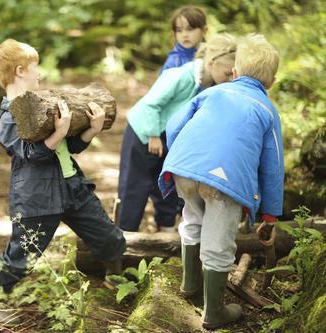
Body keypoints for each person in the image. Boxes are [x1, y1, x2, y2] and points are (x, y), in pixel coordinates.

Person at [0, 39, 126, 325]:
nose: (40, 74)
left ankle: (117, 277)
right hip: (37, 197)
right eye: (36, 68)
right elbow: (30, 154)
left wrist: (91, 130)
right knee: (23, 252)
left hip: (72, 186)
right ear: (21, 70)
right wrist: (58, 132)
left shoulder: (43, 102)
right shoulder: (9, 116)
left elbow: (70, 146)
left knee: (109, 236)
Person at [159, 34, 283, 329]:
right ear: (271, 82)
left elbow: (175, 124)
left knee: (192, 218)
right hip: (225, 181)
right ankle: (213, 312)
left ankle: (190, 287)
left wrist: (180, 160)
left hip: (185, 168)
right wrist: (270, 215)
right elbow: (273, 167)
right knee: (218, 242)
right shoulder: (267, 110)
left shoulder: (211, 93)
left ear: (235, 72)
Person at [117, 33, 237, 233]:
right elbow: (151, 104)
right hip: (145, 133)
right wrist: (153, 135)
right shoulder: (181, 75)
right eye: (227, 74)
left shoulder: (211, 86)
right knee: (135, 187)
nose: (230, 79)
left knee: (166, 186)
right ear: (211, 63)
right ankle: (125, 235)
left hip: (167, 139)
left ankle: (165, 233)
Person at [159, 5, 208, 75]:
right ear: (174, 33)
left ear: (204, 30)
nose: (184, 35)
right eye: (179, 30)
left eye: (190, 29)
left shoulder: (211, 55)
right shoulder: (174, 61)